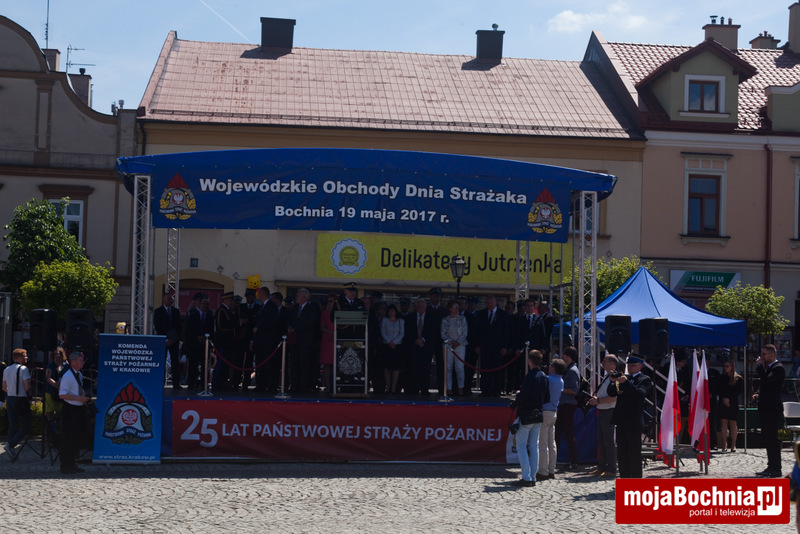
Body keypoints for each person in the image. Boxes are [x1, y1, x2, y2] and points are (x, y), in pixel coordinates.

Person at [608, 353, 653, 478]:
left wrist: (626, 383)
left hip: (633, 421)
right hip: (621, 420)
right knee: (622, 453)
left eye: (633, 365)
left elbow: (639, 394)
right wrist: (612, 381)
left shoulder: (644, 379)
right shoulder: (624, 378)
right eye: (629, 365)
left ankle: (636, 481)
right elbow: (611, 392)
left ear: (640, 366)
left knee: (634, 453)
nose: (630, 367)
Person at [510, 349, 549, 487]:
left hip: (526, 414)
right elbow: (547, 397)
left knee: (521, 445)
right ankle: (532, 476)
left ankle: (526, 477)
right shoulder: (544, 376)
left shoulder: (530, 376)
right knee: (534, 446)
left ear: (530, 361)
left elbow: (524, 396)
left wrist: (518, 394)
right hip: (538, 414)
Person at [753, 344, 785, 477]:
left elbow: (767, 381)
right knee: (767, 438)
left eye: (764, 354)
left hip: (772, 409)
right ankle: (770, 466)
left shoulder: (778, 368)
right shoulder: (769, 368)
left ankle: (776, 468)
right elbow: (765, 386)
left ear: (772, 354)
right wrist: (758, 394)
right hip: (765, 407)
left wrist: (759, 367)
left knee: (772, 438)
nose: (762, 357)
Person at [59, 351, 90, 474]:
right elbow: (62, 394)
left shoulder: (79, 374)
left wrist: (83, 399)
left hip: (78, 408)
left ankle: (72, 463)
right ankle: (66, 465)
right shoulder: (67, 375)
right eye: (80, 360)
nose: (83, 362)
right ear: (73, 362)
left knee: (77, 437)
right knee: (69, 438)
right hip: (70, 410)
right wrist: (78, 398)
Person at [588, 353, 619, 477]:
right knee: (602, 440)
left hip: (608, 411)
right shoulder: (607, 376)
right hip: (602, 410)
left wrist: (598, 400)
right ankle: (602, 466)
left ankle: (611, 468)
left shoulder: (614, 378)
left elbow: (614, 397)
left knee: (608, 441)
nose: (602, 364)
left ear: (612, 364)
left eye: (605, 362)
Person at [475, 295, 510, 397]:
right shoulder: (481, 314)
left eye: (491, 303)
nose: (489, 305)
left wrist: (505, 347)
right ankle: (485, 390)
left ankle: (497, 390)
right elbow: (477, 331)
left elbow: (506, 332)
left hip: (498, 348)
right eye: (488, 303)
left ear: (496, 303)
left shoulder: (503, 315)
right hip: (485, 347)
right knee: (485, 370)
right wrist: (477, 345)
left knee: (498, 370)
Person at [288, 288, 320, 394]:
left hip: (306, 342)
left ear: (304, 296)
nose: (296, 297)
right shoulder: (295, 308)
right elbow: (290, 320)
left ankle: (304, 386)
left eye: (298, 295)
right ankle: (294, 385)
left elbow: (309, 323)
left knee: (304, 365)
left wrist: (295, 328)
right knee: (294, 364)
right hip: (294, 341)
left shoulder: (312, 309)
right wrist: (289, 327)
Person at [537, 357, 565, 481]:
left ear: (554, 368)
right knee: (551, 443)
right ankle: (551, 469)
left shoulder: (548, 379)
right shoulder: (561, 380)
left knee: (543, 443)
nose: (549, 367)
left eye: (551, 366)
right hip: (554, 412)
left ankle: (543, 471)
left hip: (545, 411)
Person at [404, 298, 438, 396]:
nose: (421, 308)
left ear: (425, 307)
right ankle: (415, 389)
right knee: (414, 368)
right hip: (414, 347)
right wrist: (416, 339)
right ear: (416, 307)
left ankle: (425, 390)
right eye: (419, 306)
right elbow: (407, 331)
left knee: (426, 369)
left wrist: (423, 339)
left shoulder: (431, 317)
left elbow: (433, 332)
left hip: (426, 347)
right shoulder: (410, 317)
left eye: (422, 306)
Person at [3, 348, 31, 460]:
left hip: (10, 398)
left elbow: (4, 387)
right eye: (25, 356)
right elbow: (27, 387)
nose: (26, 358)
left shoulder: (6, 369)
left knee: (13, 425)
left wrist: (12, 391)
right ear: (19, 358)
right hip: (21, 399)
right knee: (26, 426)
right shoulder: (24, 369)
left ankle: (11, 452)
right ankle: (11, 445)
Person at [555, 346, 580, 469]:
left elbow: (574, 390)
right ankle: (553, 460)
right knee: (558, 433)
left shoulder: (572, 371)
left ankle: (574, 462)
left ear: (569, 356)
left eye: (564, 354)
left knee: (568, 434)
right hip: (563, 404)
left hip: (568, 405)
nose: (562, 356)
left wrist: (560, 389)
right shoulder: (568, 369)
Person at [252, 286, 280, 392]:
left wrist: (259, 328)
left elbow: (271, 322)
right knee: (260, 363)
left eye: (259, 294)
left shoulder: (271, 306)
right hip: (260, 341)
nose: (258, 297)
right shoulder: (261, 307)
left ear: (263, 294)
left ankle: (270, 385)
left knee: (269, 364)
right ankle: (261, 384)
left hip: (268, 341)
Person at [153, 292, 182, 389]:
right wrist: (166, 339)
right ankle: (161, 383)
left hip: (174, 340)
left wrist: (173, 339)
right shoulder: (158, 311)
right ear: (163, 300)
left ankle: (176, 384)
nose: (170, 300)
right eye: (168, 299)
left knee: (175, 361)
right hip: (163, 341)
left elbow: (179, 326)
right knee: (162, 361)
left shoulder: (175, 311)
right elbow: (158, 327)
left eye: (171, 299)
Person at [235, 288, 261, 390]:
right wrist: (241, 321)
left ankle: (246, 383)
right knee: (239, 360)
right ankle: (236, 382)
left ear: (254, 297)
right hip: (242, 338)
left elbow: (257, 321)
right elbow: (236, 320)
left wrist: (248, 320)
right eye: (247, 296)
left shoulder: (258, 308)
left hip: (252, 338)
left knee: (249, 361)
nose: (249, 298)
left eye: (251, 296)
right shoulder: (241, 307)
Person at [440, 300, 468, 395]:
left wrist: (457, 342)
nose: (456, 309)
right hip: (448, 346)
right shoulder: (445, 320)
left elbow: (465, 332)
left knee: (460, 367)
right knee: (448, 368)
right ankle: (449, 389)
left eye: (458, 307)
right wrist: (451, 341)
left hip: (460, 346)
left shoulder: (462, 319)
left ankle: (460, 388)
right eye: (454, 307)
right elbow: (442, 333)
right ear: (449, 308)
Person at [715, 359, 743, 453]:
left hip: (733, 402)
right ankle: (724, 444)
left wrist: (729, 399)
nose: (725, 368)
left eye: (727, 366)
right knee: (723, 423)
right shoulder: (721, 377)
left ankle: (733, 444)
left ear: (732, 367)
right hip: (723, 402)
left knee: (733, 423)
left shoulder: (738, 378)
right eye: (724, 366)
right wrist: (724, 398)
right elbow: (719, 389)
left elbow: (738, 391)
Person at [213, 291, 238, 393]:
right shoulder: (221, 311)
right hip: (222, 342)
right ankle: (216, 384)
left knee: (225, 365)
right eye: (230, 300)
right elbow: (221, 326)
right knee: (220, 364)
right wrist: (235, 325)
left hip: (228, 342)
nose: (232, 302)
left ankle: (222, 383)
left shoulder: (228, 311)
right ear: (226, 300)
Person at [380, 304, 405, 394]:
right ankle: (388, 386)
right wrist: (389, 342)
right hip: (387, 346)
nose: (391, 313)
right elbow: (383, 332)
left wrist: (394, 342)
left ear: (395, 312)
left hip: (397, 346)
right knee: (387, 367)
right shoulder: (384, 320)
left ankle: (394, 387)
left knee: (396, 368)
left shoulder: (401, 321)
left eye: (393, 311)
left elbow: (402, 333)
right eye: (389, 311)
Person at [319, 293, 338, 392]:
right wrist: (333, 333)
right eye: (328, 301)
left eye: (332, 301)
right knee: (326, 364)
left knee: (336, 364)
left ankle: (334, 385)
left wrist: (336, 335)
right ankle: (327, 385)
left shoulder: (339, 313)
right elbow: (322, 327)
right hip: (327, 340)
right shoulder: (325, 313)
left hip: (337, 340)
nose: (330, 303)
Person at [45, 346, 68, 418]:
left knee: (61, 411)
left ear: (61, 355)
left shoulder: (66, 365)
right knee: (49, 411)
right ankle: (49, 423)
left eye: (57, 354)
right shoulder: (50, 365)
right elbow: (48, 377)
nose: (56, 356)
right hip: (51, 390)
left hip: (62, 391)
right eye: (54, 354)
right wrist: (56, 385)